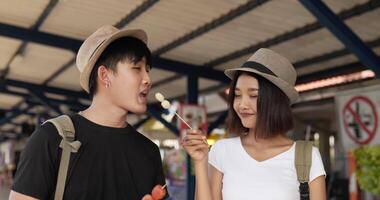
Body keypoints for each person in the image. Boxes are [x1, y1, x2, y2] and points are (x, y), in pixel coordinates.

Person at [9, 25, 167, 200]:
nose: (148, 80)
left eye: (148, 70)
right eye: (137, 68)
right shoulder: (52, 138)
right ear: (105, 75)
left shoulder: (149, 151)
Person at [182, 48, 326, 200]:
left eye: (253, 95)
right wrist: (200, 162)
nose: (242, 104)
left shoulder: (307, 156)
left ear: (276, 101)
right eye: (237, 95)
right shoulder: (222, 150)